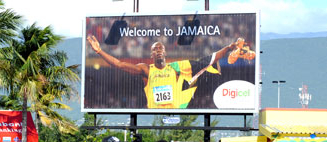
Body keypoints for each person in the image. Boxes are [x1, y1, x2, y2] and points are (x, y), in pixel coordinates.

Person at [87, 35, 254, 109]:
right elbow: (119, 64)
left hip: (176, 110)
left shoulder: (176, 67)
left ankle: (237, 52)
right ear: (152, 54)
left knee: (203, 68)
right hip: (154, 114)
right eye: (155, 49)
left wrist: (228, 48)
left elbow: (207, 59)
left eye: (161, 48)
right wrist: (99, 51)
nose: (159, 50)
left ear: (165, 53)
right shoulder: (146, 69)